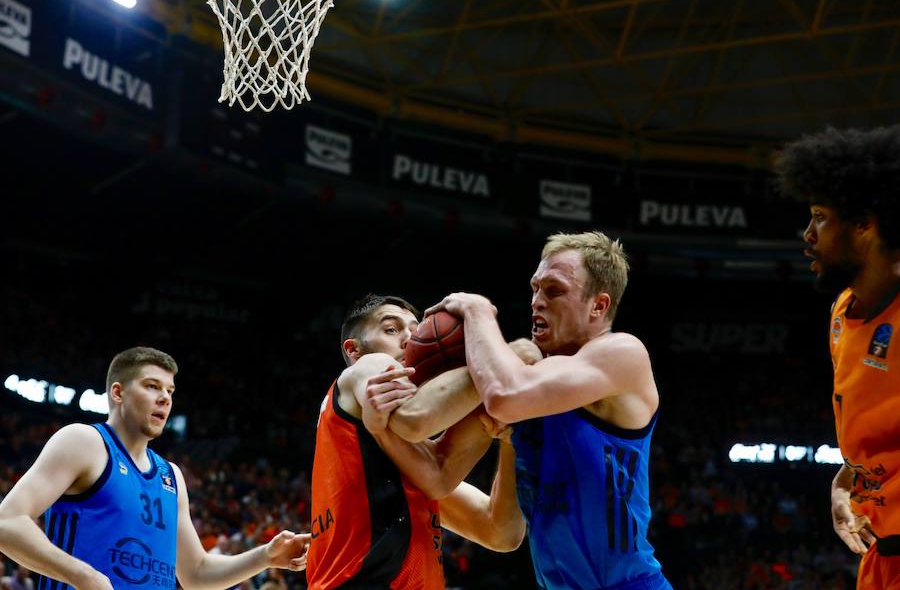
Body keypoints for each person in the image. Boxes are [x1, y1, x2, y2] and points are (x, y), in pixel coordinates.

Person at [422, 231, 672, 589]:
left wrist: (478, 312)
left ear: (598, 306)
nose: (537, 301)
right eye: (535, 288)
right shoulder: (534, 380)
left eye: (554, 290)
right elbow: (502, 527)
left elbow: (505, 395)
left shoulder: (622, 354)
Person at [0, 347, 309, 590]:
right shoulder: (85, 441)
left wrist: (265, 556)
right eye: (152, 386)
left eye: (170, 391)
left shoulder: (171, 476)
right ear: (118, 393)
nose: (164, 398)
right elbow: (7, 522)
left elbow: (196, 574)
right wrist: (82, 575)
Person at [306, 294, 538, 590]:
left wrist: (511, 435)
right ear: (354, 350)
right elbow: (416, 418)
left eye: (416, 330)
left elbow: (501, 532)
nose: (409, 338)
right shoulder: (364, 369)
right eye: (391, 329)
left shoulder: (402, 458)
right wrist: (505, 358)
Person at [776, 125, 900, 589]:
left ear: (866, 224)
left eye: (820, 217)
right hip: (880, 562)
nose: (807, 233)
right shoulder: (841, 311)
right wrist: (844, 481)